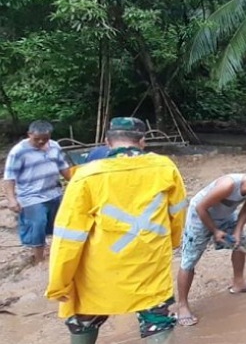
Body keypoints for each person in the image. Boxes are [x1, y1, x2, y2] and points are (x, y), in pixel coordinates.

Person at [45, 117, 187, 344]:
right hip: (150, 264)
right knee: (157, 320)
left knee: (83, 321)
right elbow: (178, 214)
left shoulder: (85, 176)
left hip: (98, 270)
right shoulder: (165, 167)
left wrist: (59, 283)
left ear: (107, 142)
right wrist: (170, 243)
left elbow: (68, 236)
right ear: (142, 141)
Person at [175, 167, 246, 327]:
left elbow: (245, 211)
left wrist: (237, 232)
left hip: (223, 215)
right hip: (200, 216)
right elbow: (200, 208)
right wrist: (215, 231)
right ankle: (182, 305)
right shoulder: (229, 185)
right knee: (189, 260)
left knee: (241, 243)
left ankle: (238, 283)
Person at [3, 120, 71, 265]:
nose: (41, 141)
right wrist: (11, 199)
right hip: (31, 196)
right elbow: (9, 177)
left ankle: (54, 253)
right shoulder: (18, 151)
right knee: (37, 225)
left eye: (45, 138)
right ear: (29, 134)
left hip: (54, 192)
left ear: (49, 135)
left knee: (56, 225)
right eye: (37, 139)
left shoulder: (54, 146)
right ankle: (39, 260)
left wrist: (76, 182)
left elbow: (63, 168)